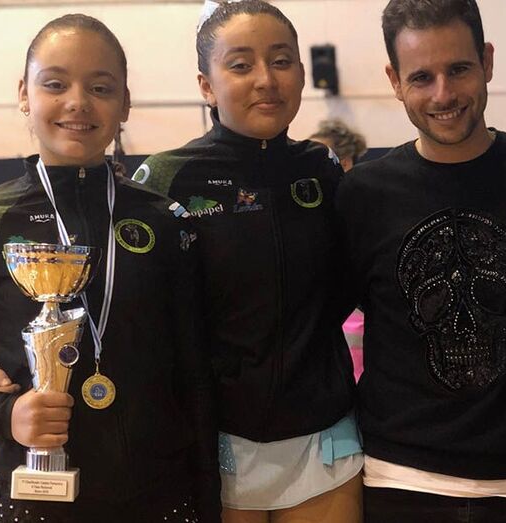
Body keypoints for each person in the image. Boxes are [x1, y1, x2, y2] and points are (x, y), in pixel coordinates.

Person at [0, 14, 219, 522]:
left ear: (125, 103)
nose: (78, 101)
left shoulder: (165, 219)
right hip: (35, 500)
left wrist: (208, 502)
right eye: (55, 84)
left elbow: (196, 376)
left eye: (100, 87)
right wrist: (4, 415)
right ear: (24, 94)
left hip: (163, 500)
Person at [335, 1, 506, 521]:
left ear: (487, 61)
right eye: (421, 77)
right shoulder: (363, 195)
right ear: (394, 80)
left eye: (458, 69)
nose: (443, 94)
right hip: (398, 483)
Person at [133, 2, 362, 521]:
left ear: (301, 72)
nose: (266, 80)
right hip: (216, 440)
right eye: (240, 65)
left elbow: (346, 286)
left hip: (325, 434)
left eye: (281, 61)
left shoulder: (322, 169)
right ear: (207, 85)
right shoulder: (166, 178)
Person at [309, 119, 368, 380]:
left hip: (357, 327)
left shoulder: (361, 202)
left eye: (316, 158)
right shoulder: (313, 204)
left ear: (343, 162)